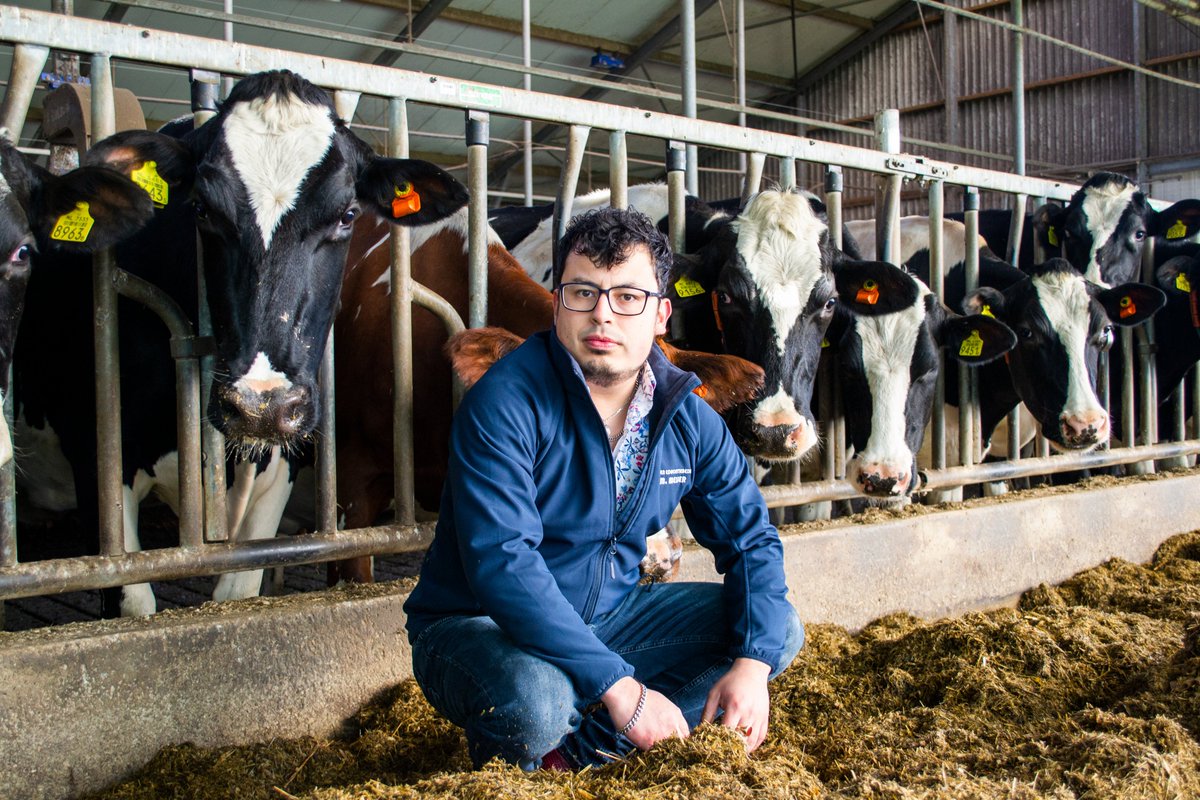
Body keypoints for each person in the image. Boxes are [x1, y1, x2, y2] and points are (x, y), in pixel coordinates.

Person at [403, 206, 804, 770]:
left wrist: (753, 669)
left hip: (612, 615)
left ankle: (580, 754)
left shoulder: (685, 418)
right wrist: (621, 687)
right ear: (558, 300)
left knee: (773, 632)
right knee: (537, 702)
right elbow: (503, 562)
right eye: (583, 293)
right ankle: (535, 749)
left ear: (662, 313)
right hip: (478, 624)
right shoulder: (505, 402)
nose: (602, 317)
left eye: (628, 297)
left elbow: (751, 540)